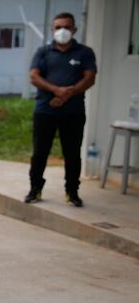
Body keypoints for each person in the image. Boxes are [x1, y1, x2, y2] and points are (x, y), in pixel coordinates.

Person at [25, 12, 97, 207]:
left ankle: (72, 192)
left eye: (66, 26)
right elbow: (34, 76)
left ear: (74, 29)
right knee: (40, 152)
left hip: (73, 112)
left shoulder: (85, 53)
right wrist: (57, 91)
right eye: (58, 27)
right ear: (52, 29)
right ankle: (35, 188)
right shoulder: (43, 52)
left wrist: (66, 95)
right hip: (45, 111)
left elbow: (89, 78)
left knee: (72, 153)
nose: (62, 31)